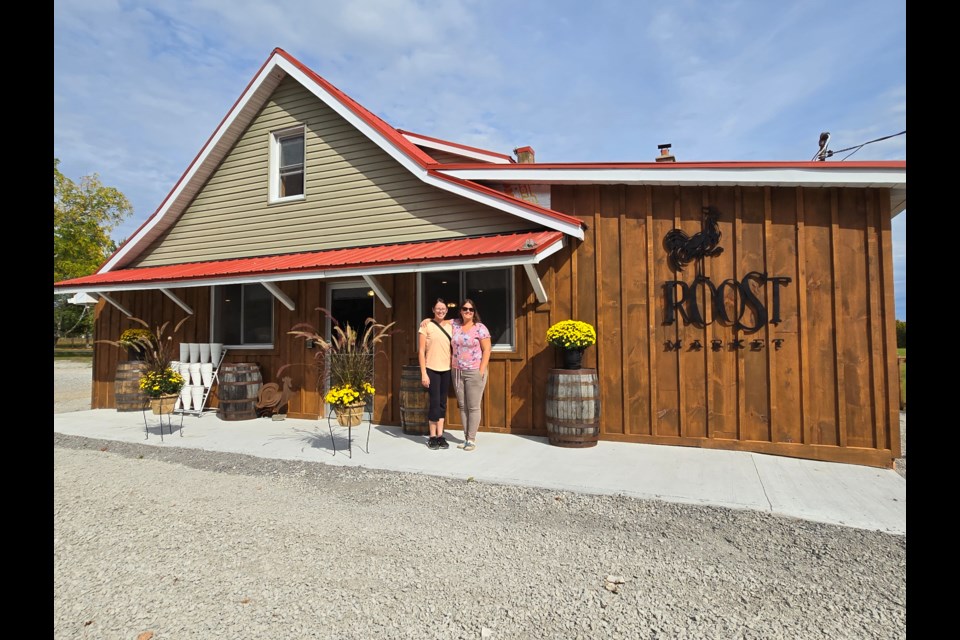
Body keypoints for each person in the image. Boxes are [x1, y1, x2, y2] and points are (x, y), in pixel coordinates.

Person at [450, 299, 491, 452]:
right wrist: (427, 320)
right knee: (462, 406)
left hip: (474, 371)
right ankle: (466, 437)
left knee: (473, 407)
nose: (468, 311)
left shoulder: (480, 328)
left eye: (471, 309)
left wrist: (481, 371)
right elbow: (439, 320)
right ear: (460, 310)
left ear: (474, 312)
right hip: (457, 371)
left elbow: (487, 350)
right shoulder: (454, 325)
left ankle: (471, 439)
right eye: (465, 309)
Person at [418, 298, 452, 450]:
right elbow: (420, 351)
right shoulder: (426, 326)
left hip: (446, 369)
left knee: (442, 403)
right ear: (433, 309)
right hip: (432, 368)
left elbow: (463, 319)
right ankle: (432, 436)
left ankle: (440, 435)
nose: (440, 311)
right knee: (434, 402)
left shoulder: (451, 325)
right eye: (438, 308)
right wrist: (424, 373)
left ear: (446, 310)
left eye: (443, 308)